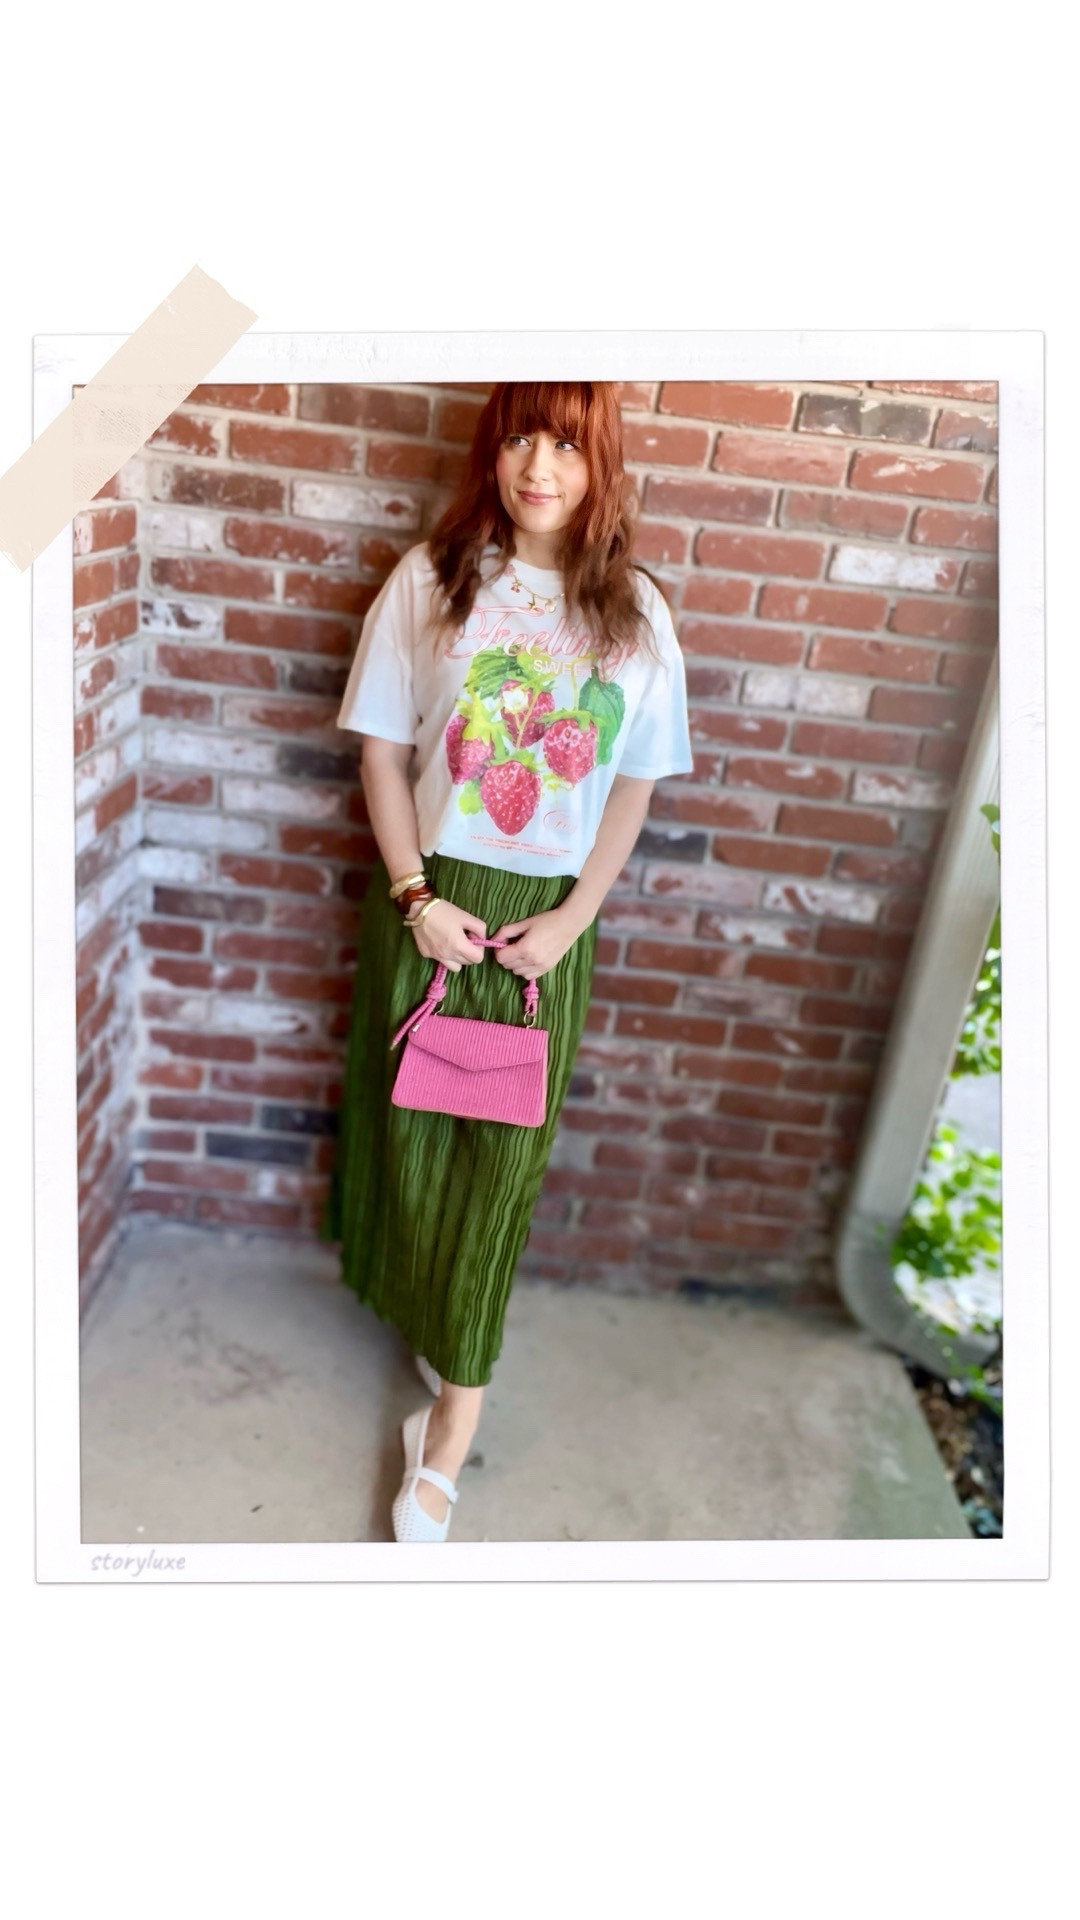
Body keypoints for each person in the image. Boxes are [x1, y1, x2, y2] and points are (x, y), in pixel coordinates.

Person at [321, 381, 694, 1541]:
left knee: (503, 1167)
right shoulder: (431, 582)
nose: (542, 464)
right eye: (524, 436)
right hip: (429, 902)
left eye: (570, 444)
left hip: (545, 925)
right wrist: (418, 897)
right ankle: (439, 1339)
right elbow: (384, 757)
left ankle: (450, 1434)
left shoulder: (636, 612)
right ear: (495, 450)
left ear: (601, 464)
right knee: (414, 1138)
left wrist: (576, 917)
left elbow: (632, 781)